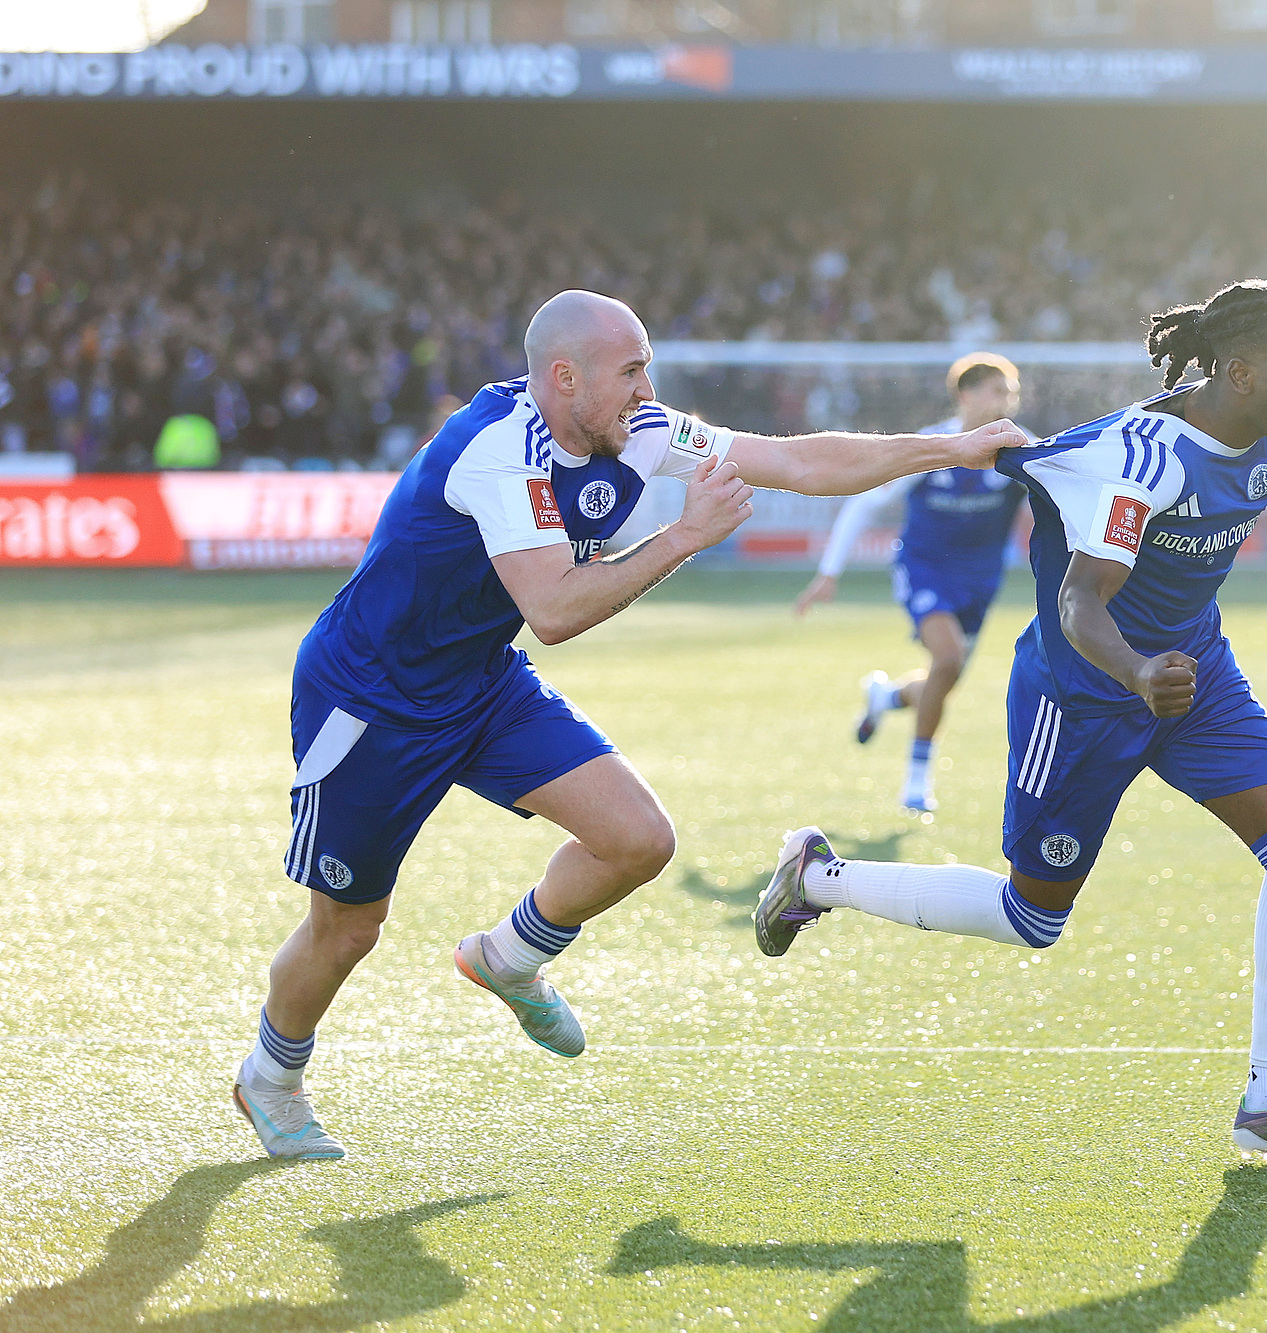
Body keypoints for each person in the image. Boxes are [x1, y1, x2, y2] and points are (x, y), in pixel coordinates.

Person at [232, 290, 1023, 1159]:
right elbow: (556, 610)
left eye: (648, 364)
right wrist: (685, 537)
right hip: (372, 701)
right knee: (348, 928)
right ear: (564, 378)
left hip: (479, 679)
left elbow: (797, 462)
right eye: (632, 368)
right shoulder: (499, 452)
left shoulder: (632, 426)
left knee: (639, 839)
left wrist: (950, 446)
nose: (650, 386)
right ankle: (271, 1075)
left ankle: (508, 956)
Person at [756, 280, 1267, 1163]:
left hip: (1195, 677)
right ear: (1240, 370)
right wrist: (1139, 671)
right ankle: (819, 876)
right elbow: (1079, 599)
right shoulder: (1144, 459)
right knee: (1031, 918)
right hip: (1082, 695)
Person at [793, 352, 1033, 812]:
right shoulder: (930, 447)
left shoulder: (1021, 448)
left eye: (1014, 394)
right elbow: (866, 504)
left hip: (981, 581)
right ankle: (917, 780)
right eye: (999, 391)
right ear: (966, 394)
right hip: (925, 569)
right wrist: (829, 573)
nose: (1009, 402)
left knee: (944, 677)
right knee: (949, 658)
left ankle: (887, 695)